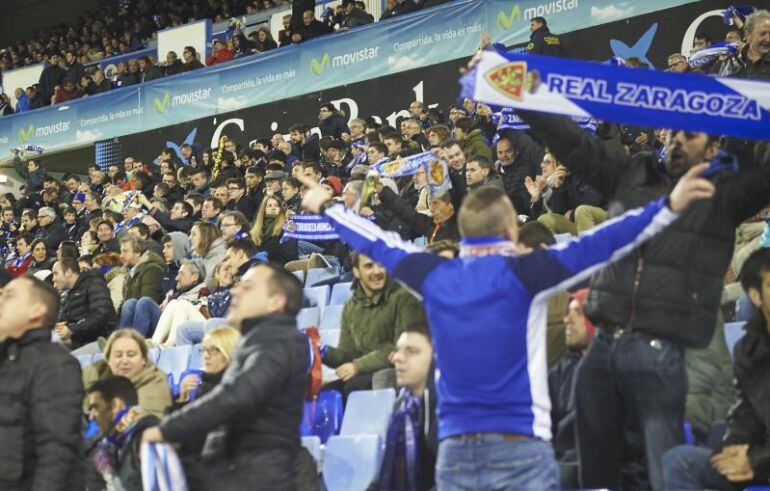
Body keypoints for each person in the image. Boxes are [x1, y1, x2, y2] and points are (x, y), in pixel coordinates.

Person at [297, 158, 715, 490]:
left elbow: (374, 241)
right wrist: (668, 206)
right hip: (520, 451)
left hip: (455, 455)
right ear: (512, 227)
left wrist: (327, 206)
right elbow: (603, 242)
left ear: (462, 232)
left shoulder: (433, 275)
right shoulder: (527, 272)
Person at [516, 112, 770, 490]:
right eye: (675, 132)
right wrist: (522, 101)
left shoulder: (723, 194)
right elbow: (575, 144)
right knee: (596, 477)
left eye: (692, 135)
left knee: (663, 471)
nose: (678, 140)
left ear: (713, 148)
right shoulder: (629, 175)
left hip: (661, 348)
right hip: (602, 344)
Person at [141, 263, 309, 490]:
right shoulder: (257, 340)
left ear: (276, 301)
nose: (234, 291)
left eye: (248, 287)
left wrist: (166, 429)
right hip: (239, 472)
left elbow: (237, 396)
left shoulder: (279, 342)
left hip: (258, 478)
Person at [663, 247, 770, 490]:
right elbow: (746, 414)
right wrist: (735, 446)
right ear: (755, 296)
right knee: (678, 460)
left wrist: (754, 461)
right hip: (757, 456)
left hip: (761, 460)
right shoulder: (748, 349)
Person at [0, 275, 84, 490]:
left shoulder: (54, 364)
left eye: (8, 295)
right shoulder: (8, 360)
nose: (1, 300)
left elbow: (56, 452)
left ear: (36, 311)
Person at [323, 252, 425, 397]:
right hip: (365, 371)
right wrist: (323, 352)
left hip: (394, 369)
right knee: (324, 393)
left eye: (381, 265)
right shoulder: (351, 306)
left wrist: (357, 366)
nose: (377, 271)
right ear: (356, 272)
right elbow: (348, 354)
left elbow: (399, 347)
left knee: (357, 384)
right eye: (369, 266)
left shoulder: (404, 297)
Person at [372, 323, 437, 491]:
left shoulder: (446, 409)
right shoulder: (401, 407)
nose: (398, 358)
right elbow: (389, 473)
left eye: (412, 351)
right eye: (398, 350)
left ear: (437, 357)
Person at [548, 289, 595, 489]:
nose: (567, 319)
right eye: (568, 312)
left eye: (578, 313)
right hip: (557, 460)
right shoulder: (560, 371)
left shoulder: (615, 371)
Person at [85, 376, 160, 491]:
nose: (91, 416)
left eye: (95, 407)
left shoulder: (148, 439)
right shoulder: (106, 446)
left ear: (116, 405)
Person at [173, 327, 240, 453]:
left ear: (229, 353)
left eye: (214, 350)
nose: (206, 355)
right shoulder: (204, 386)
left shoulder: (234, 390)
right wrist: (182, 398)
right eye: (204, 350)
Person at [82, 328, 172, 418]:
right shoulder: (94, 371)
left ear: (144, 359)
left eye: (131, 355)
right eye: (118, 355)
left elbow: (147, 422)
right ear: (108, 360)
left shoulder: (156, 381)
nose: (125, 361)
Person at [53, 257, 117, 350]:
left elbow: (102, 315)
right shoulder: (71, 292)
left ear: (68, 272)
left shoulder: (94, 283)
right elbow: (65, 318)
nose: (53, 279)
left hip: (101, 341)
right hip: (79, 341)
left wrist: (72, 329)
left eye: (55, 274)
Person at [120, 236, 167, 329]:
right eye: (121, 251)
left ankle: (133, 340)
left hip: (150, 320)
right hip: (135, 318)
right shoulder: (130, 270)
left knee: (133, 303)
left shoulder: (152, 269)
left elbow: (148, 301)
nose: (121, 255)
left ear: (138, 252)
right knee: (129, 304)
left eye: (125, 251)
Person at [249, 195, 298, 265]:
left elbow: (291, 256)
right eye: (270, 206)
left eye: (276, 206)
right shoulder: (256, 230)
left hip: (281, 269)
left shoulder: (287, 227)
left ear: (280, 209)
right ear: (264, 209)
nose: (273, 208)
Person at [190, 222, 226, 289]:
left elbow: (209, 289)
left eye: (194, 234)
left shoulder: (218, 258)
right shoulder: (207, 256)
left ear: (205, 237)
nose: (190, 238)